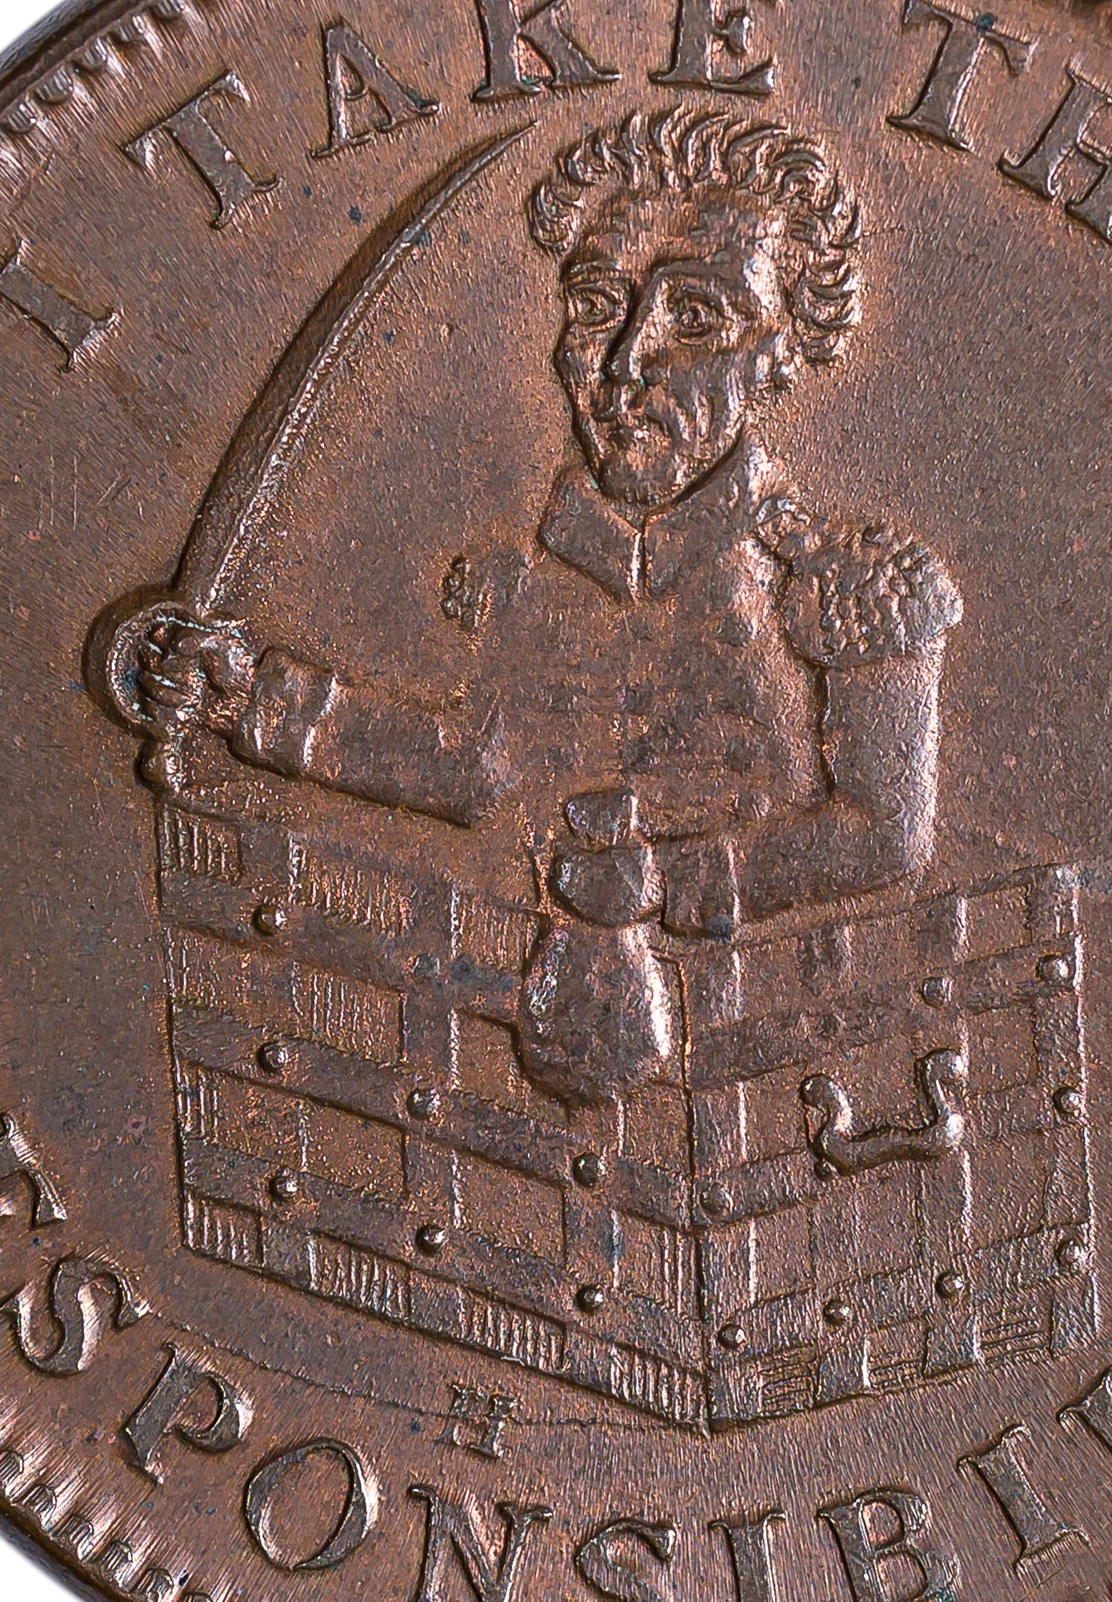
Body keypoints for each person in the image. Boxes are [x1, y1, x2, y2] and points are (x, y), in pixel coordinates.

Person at [138, 107, 960, 1095]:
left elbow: (886, 834)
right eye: (598, 304)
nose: (623, 361)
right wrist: (250, 700)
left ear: (781, 350)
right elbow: (475, 767)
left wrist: (669, 880)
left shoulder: (854, 583)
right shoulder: (553, 569)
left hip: (799, 1069)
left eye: (696, 318)